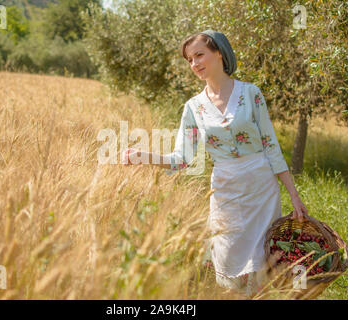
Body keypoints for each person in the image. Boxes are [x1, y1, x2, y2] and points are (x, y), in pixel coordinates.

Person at [121, 30, 309, 298]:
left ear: (219, 52)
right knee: (230, 260)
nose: (194, 63)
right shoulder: (193, 108)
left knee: (263, 262)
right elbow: (181, 159)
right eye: (189, 59)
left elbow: (271, 146)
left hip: (261, 190)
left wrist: (294, 195)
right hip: (226, 192)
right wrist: (145, 156)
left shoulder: (251, 93)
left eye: (199, 55)